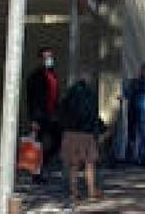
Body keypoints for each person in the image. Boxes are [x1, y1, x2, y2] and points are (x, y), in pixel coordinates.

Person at [59, 73, 105, 202]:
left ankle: (74, 193)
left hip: (71, 132)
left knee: (74, 165)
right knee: (89, 164)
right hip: (86, 133)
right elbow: (93, 115)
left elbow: (61, 111)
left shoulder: (69, 94)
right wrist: (98, 132)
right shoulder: (91, 95)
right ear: (88, 80)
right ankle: (91, 192)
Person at [25, 47, 62, 183]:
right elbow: (31, 99)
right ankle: (36, 174)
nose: (49, 60)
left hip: (52, 115)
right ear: (40, 59)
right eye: (46, 57)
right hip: (40, 115)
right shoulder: (35, 77)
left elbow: (55, 95)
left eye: (50, 57)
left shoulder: (53, 75)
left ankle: (42, 164)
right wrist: (33, 119)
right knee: (37, 144)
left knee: (57, 141)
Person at [123, 63, 145, 166]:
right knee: (138, 136)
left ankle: (134, 158)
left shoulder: (136, 83)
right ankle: (138, 158)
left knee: (137, 136)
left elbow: (126, 93)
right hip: (141, 114)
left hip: (139, 113)